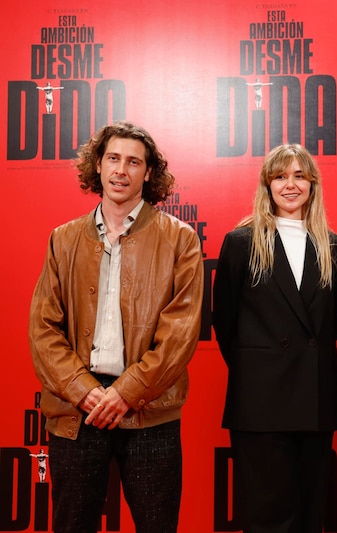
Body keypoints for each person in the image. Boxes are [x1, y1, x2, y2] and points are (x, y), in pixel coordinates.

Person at [28, 120, 203, 532]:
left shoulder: (180, 240)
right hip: (77, 412)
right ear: (98, 166)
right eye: (113, 159)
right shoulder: (63, 239)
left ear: (149, 173)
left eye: (133, 162)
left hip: (150, 413)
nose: (121, 170)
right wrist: (85, 391)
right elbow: (43, 330)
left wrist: (125, 393)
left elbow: (180, 333)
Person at [213, 144, 337, 532]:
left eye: (299, 176)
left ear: (312, 184)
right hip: (260, 403)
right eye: (280, 176)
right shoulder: (240, 243)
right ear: (267, 185)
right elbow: (225, 323)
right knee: (267, 516)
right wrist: (259, 370)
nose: (290, 185)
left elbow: (334, 319)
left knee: (310, 514)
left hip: (315, 400)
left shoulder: (334, 248)